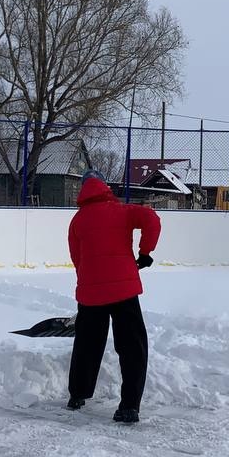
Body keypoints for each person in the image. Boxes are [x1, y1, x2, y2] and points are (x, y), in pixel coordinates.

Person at [66, 169, 161, 424]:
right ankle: (129, 406)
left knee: (87, 344)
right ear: (104, 187)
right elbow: (152, 218)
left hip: (91, 292)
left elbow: (77, 259)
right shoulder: (122, 211)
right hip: (124, 291)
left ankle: (77, 394)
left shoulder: (77, 221)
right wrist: (145, 252)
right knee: (132, 347)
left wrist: (89, 281)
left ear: (83, 191)